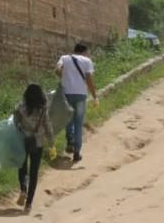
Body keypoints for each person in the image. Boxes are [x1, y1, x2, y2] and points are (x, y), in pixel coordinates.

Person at [13, 83, 55, 214]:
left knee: (22, 167)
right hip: (37, 143)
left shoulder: (20, 107)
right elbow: (48, 126)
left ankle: (23, 189)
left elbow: (14, 123)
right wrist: (52, 143)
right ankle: (29, 204)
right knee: (34, 172)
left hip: (22, 141)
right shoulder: (43, 110)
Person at [56, 42, 99, 163]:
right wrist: (95, 96)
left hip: (66, 93)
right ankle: (77, 153)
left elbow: (57, 70)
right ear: (84, 51)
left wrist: (66, 77)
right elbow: (89, 79)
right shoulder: (87, 61)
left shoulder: (64, 58)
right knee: (78, 123)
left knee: (68, 118)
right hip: (80, 95)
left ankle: (70, 140)